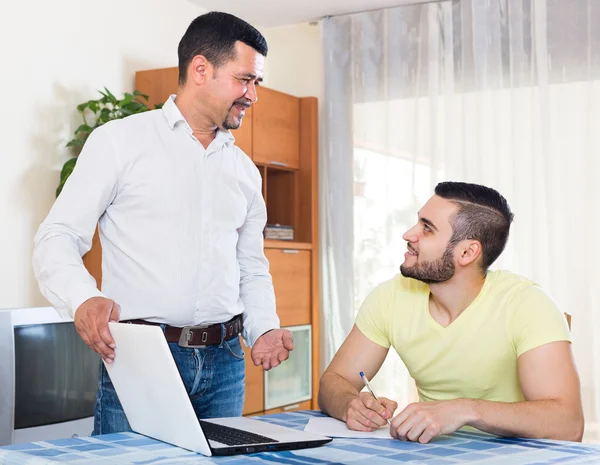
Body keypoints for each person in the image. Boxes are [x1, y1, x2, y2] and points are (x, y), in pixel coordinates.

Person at [32, 11, 293, 435]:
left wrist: (263, 327)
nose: (252, 95)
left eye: (256, 83)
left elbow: (250, 266)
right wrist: (82, 298)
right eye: (245, 80)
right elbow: (56, 237)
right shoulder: (119, 143)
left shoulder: (245, 173)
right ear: (201, 69)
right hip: (143, 359)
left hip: (226, 363)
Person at [318, 181, 583, 443]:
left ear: (467, 252)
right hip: (432, 455)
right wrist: (350, 404)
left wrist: (465, 410)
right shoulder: (391, 296)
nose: (409, 234)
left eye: (427, 228)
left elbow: (568, 424)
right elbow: (334, 381)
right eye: (418, 222)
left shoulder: (527, 304)